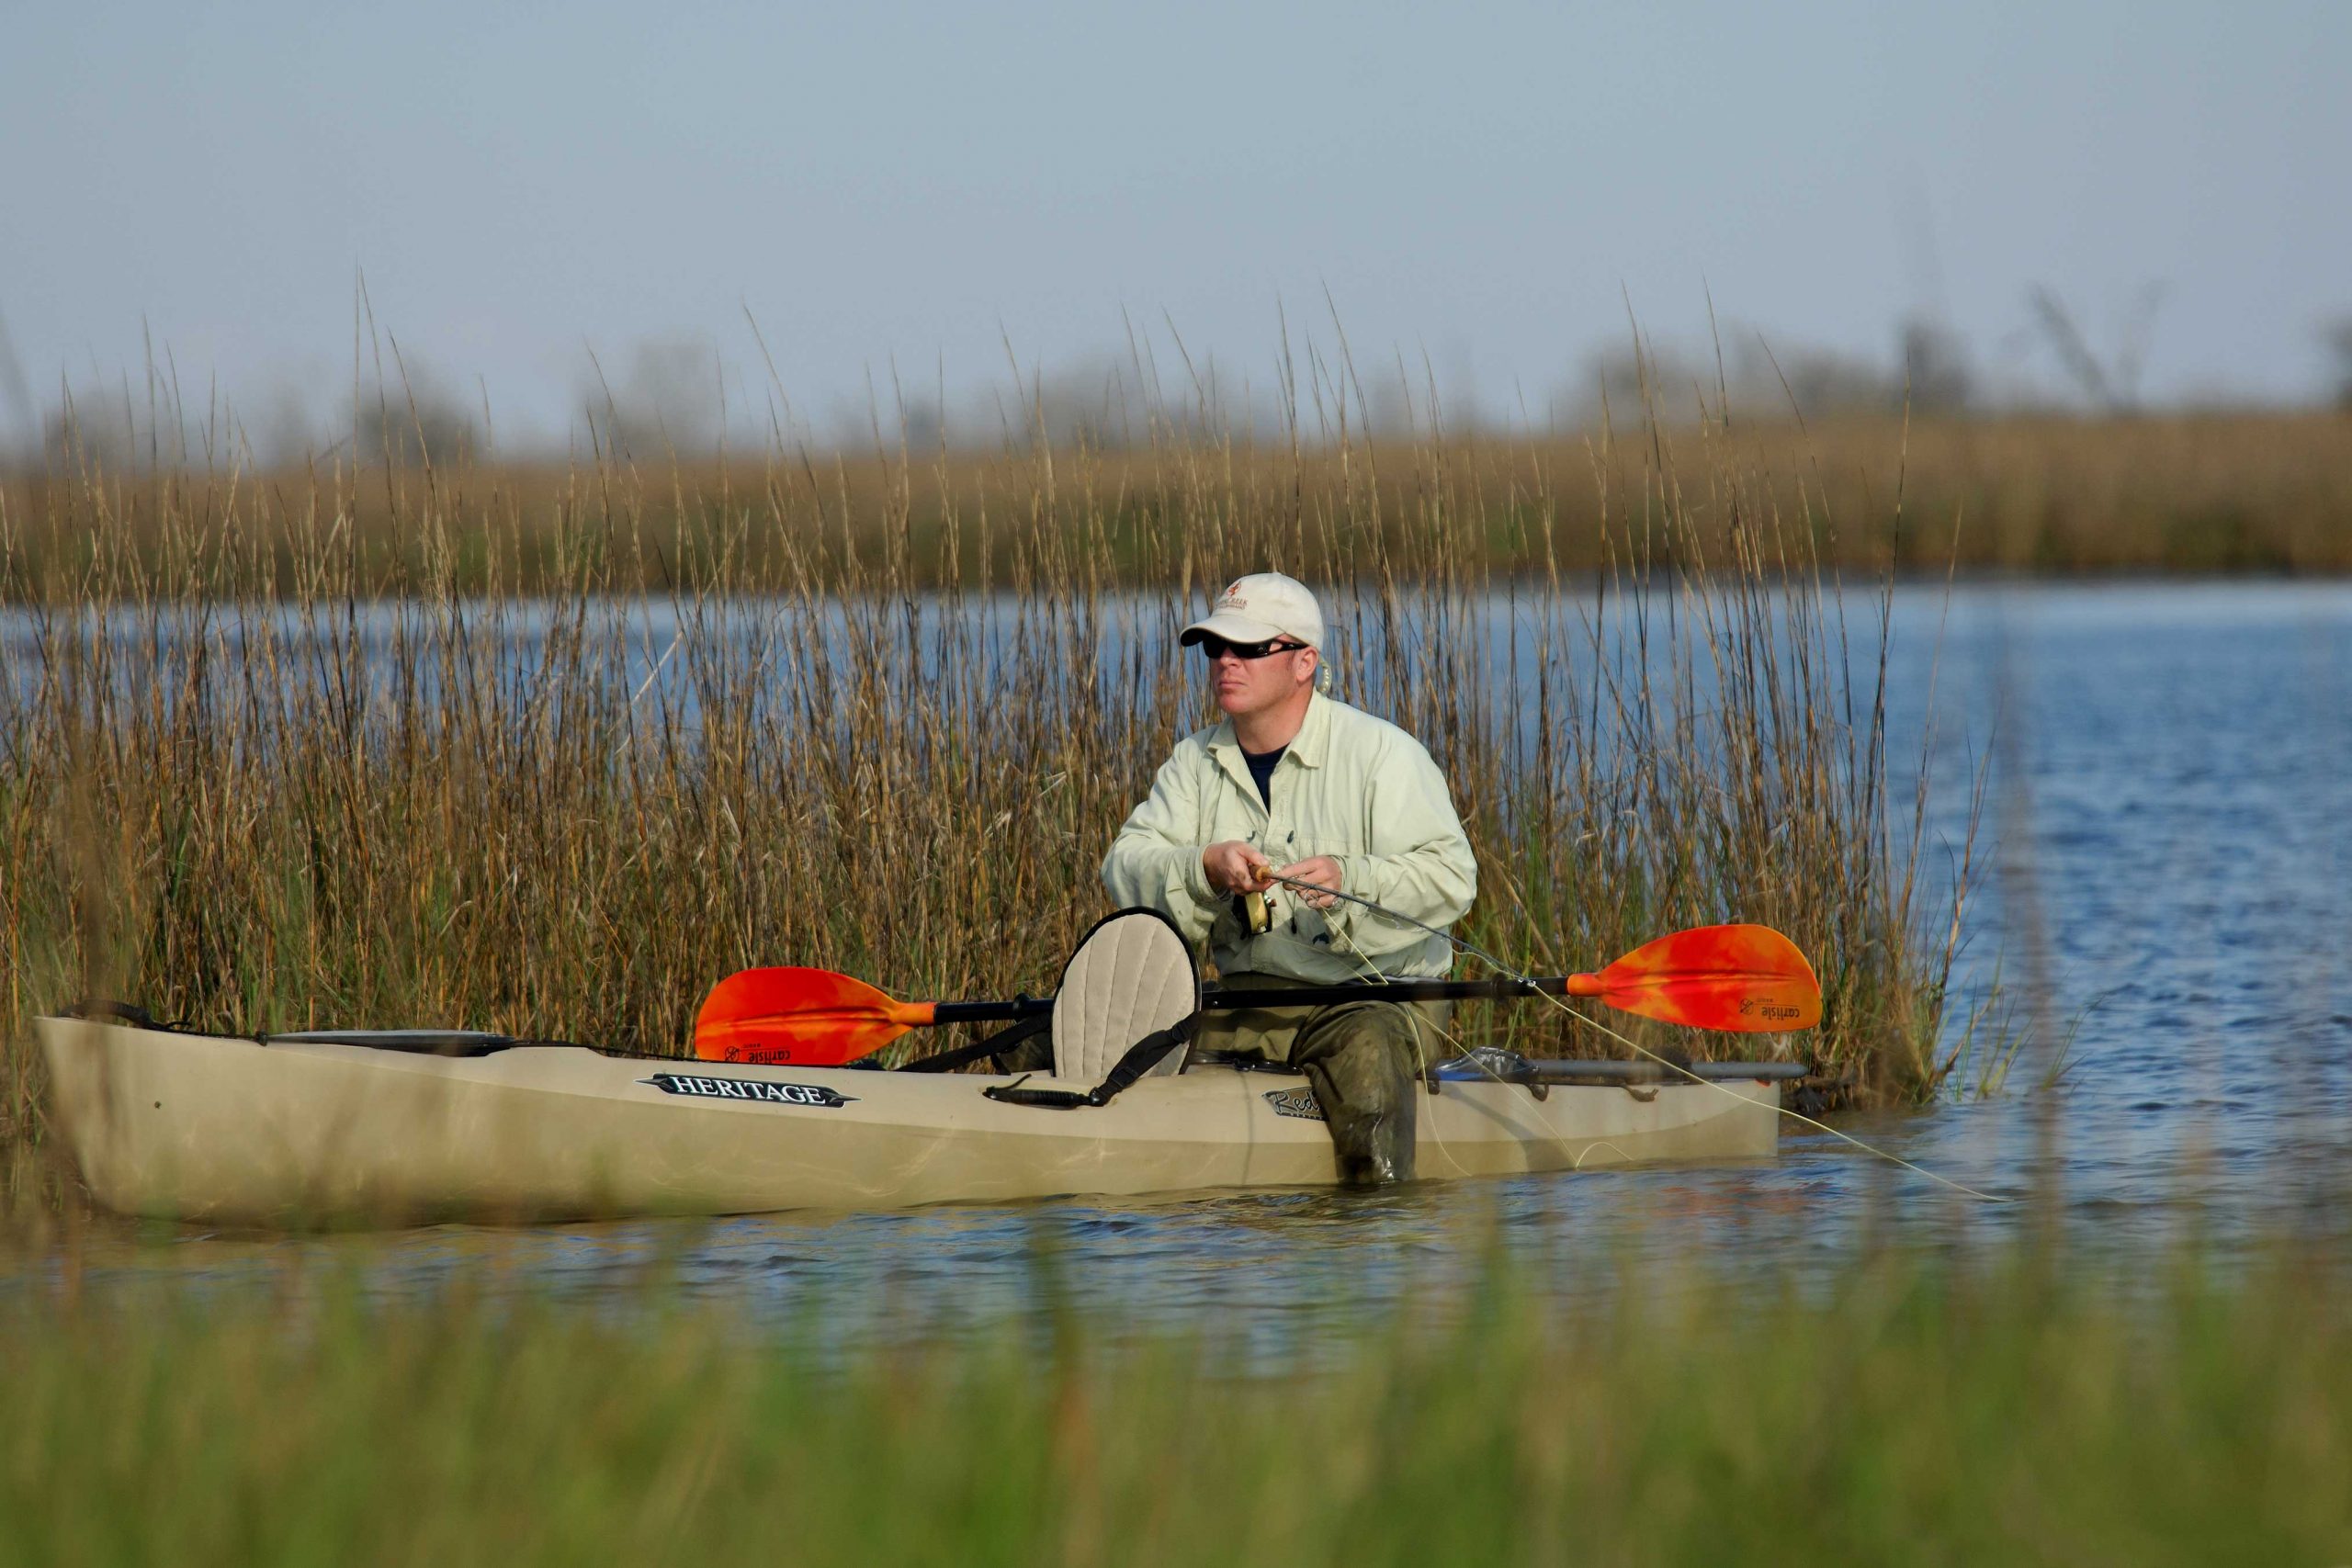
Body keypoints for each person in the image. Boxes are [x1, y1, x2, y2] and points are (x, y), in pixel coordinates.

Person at [1100, 572, 1477, 1183]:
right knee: (1085, 1034)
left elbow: (1453, 877)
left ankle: (1377, 1231)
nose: (1225, 661)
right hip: (1248, 999)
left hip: (1374, 1003)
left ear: (1305, 661)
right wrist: (1204, 866)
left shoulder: (1384, 754)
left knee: (1366, 1053)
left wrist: (1349, 878)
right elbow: (1124, 866)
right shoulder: (1192, 763)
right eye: (1214, 647)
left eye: (1248, 648)